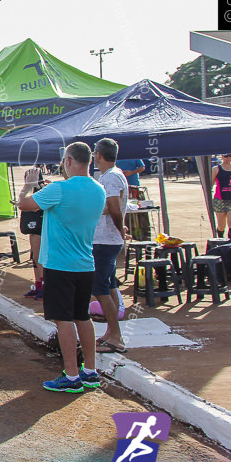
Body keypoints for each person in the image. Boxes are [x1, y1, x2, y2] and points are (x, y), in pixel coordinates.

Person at [18, 142, 106, 394]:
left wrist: (29, 184)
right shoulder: (98, 189)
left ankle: (71, 374)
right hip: (85, 263)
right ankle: (90, 370)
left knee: (63, 320)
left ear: (68, 161)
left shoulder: (59, 189)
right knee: (83, 316)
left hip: (59, 264)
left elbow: (24, 205)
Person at [92, 138, 129, 354]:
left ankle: (116, 336)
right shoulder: (111, 175)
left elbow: (114, 208)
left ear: (98, 155)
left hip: (106, 239)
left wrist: (120, 229)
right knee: (109, 285)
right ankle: (111, 332)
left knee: (100, 288)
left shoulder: (112, 178)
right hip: (107, 239)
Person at [18, 166, 47, 298]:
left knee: (39, 258)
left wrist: (27, 188)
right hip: (34, 230)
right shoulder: (35, 192)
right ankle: (38, 284)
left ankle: (43, 285)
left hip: (41, 230)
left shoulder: (43, 192)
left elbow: (31, 206)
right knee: (35, 259)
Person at [211, 153, 231, 239]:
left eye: (230, 156)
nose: (228, 158)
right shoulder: (216, 169)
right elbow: (211, 183)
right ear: (222, 157)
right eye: (226, 156)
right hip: (220, 199)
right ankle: (221, 242)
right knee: (221, 225)